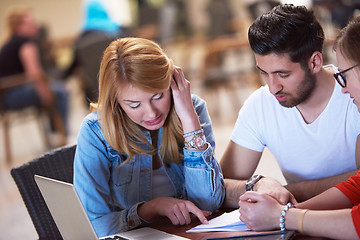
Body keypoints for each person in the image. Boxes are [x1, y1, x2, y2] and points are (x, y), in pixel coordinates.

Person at [73, 37, 225, 237]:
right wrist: (149, 209)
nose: (152, 113)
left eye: (158, 96)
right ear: (116, 101)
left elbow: (209, 203)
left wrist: (189, 120)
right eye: (134, 105)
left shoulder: (192, 108)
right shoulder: (95, 132)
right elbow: (91, 226)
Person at [220, 4, 360, 208]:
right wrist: (258, 185)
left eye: (283, 74)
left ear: (314, 62)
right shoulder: (260, 105)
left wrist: (293, 191)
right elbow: (219, 187)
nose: (273, 87)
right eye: (264, 72)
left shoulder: (354, 94)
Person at [0, 6, 69, 144]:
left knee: (54, 88)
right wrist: (45, 94)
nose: (35, 26)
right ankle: (60, 135)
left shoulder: (11, 42)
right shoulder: (25, 42)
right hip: (12, 95)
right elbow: (34, 73)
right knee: (60, 91)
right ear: (19, 26)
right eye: (31, 23)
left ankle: (56, 134)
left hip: (6, 96)